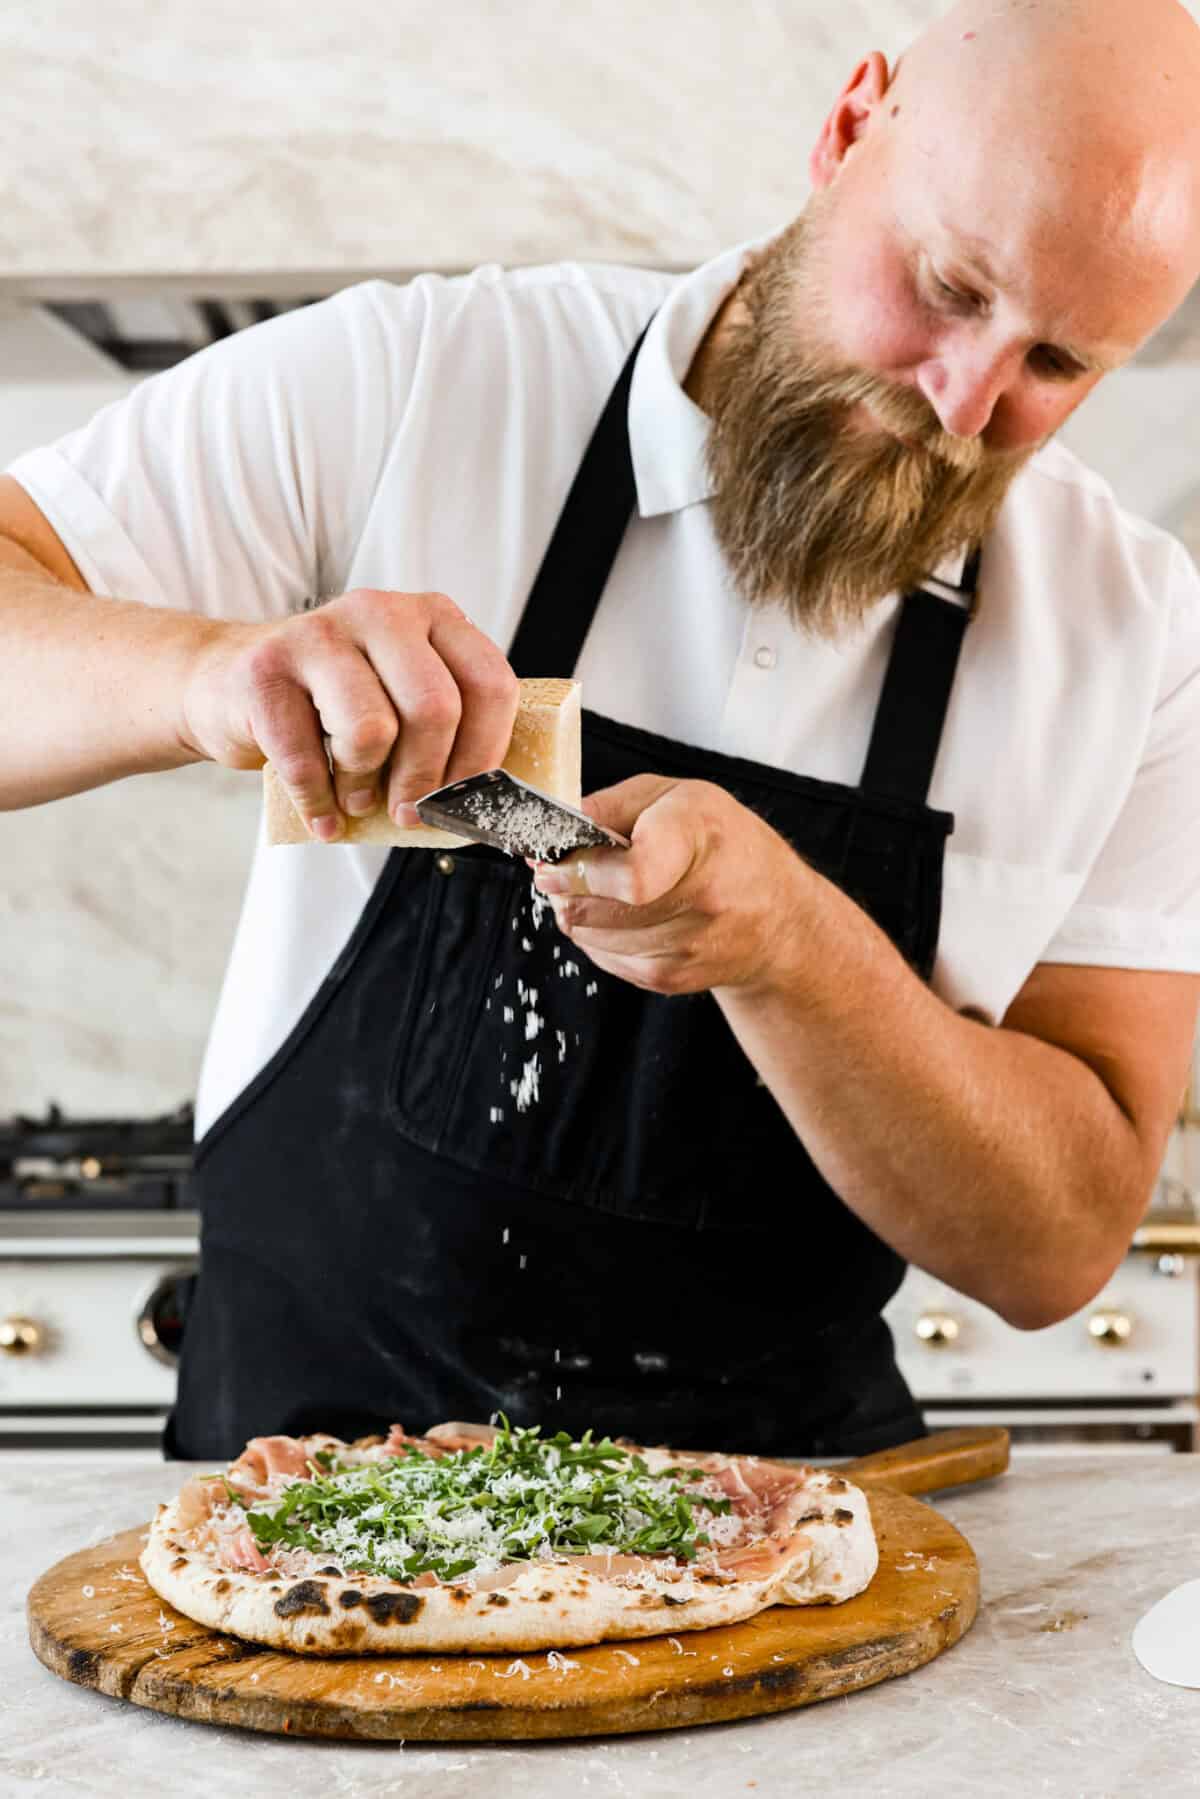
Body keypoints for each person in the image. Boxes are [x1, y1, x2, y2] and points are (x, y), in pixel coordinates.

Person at [4, 0, 1200, 1460]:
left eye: (1059, 366)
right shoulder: (429, 380)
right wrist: (210, 676)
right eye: (948, 283)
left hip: (795, 1569)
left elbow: (1057, 1245)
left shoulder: (1137, 637)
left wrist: (796, 952)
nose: (963, 401)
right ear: (847, 128)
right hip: (303, 1532)